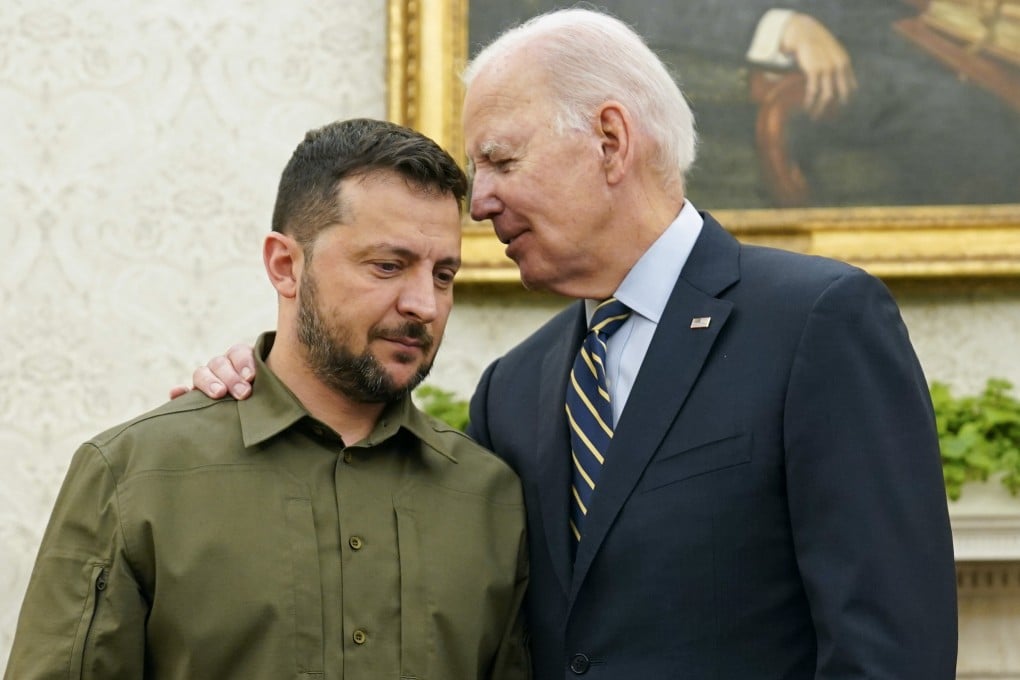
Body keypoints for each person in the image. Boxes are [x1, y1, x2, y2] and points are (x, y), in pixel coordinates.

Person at [183, 9, 958, 679]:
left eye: (500, 160)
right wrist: (260, 381)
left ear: (611, 141)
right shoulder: (513, 388)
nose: (478, 202)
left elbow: (890, 649)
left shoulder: (817, 322)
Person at [5, 118, 530, 679]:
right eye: (388, 266)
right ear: (286, 266)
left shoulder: (490, 498)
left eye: (444, 275)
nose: (425, 304)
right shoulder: (135, 476)